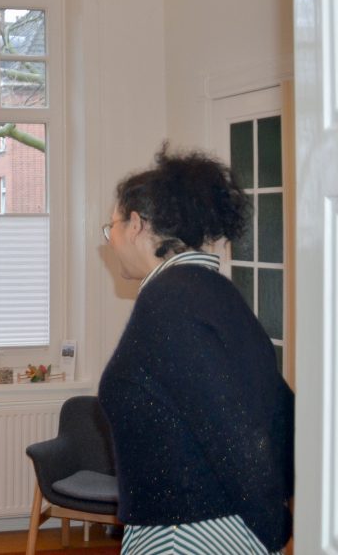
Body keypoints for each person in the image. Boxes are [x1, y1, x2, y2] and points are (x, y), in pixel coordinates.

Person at [98, 145, 294, 555]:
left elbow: (235, 431)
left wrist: (271, 525)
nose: (110, 239)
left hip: (187, 537)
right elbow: (278, 410)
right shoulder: (216, 293)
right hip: (210, 528)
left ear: (136, 224)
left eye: (111, 227)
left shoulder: (170, 303)